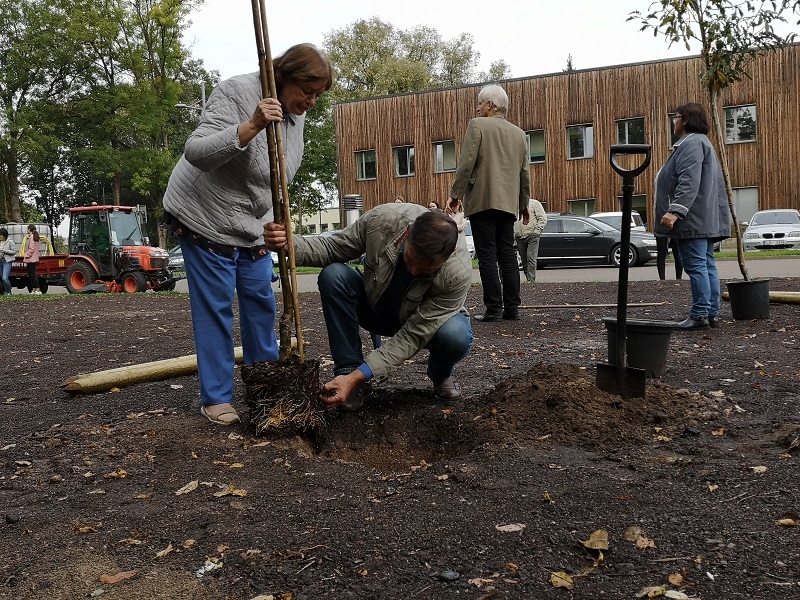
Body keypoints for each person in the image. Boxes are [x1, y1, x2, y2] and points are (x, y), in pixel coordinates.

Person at [162, 43, 333, 425]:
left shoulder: (295, 115)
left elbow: (277, 177)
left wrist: (277, 222)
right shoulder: (237, 92)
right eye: (308, 90)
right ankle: (217, 397)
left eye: (319, 94)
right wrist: (251, 125)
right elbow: (197, 152)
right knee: (217, 307)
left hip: (251, 223)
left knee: (261, 304)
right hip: (204, 214)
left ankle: (266, 392)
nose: (312, 100)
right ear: (286, 76)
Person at [264, 203, 474, 411]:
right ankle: (348, 371)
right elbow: (332, 248)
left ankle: (441, 374)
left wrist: (358, 376)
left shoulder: (457, 272)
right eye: (410, 260)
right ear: (408, 232)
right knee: (334, 275)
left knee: (456, 334)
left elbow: (412, 335)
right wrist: (289, 243)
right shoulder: (382, 222)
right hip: (375, 308)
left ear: (447, 256)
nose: (413, 271)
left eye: (425, 270)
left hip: (419, 324)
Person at [448, 84, 530, 322]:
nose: (478, 107)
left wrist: (455, 196)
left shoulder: (477, 125)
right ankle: (512, 308)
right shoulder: (518, 133)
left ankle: (493, 308)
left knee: (486, 254)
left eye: (480, 103)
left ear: (490, 105)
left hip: (483, 200)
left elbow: (466, 164)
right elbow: (524, 173)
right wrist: (523, 204)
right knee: (507, 253)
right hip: (508, 203)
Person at [654, 102, 730, 330]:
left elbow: (688, 181)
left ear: (684, 120)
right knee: (706, 265)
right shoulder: (702, 143)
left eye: (675, 117)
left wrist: (675, 211)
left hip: (692, 220)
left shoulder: (692, 144)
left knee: (696, 266)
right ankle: (711, 313)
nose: (673, 122)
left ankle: (699, 315)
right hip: (703, 218)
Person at [514, 198, 547, 282]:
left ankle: (531, 279)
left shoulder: (534, 203)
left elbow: (542, 218)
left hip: (532, 236)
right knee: (524, 259)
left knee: (531, 257)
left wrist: (536, 231)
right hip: (519, 236)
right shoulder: (514, 204)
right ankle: (528, 278)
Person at [23, 225, 41, 294]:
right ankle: (34, 289)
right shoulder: (36, 236)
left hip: (31, 258)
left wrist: (27, 255)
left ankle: (37, 289)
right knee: (31, 274)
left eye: (27, 229)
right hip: (34, 258)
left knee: (32, 274)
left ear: (29, 229)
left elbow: (31, 248)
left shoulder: (32, 237)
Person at [0, 228, 16, 294]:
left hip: (7, 261)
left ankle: (9, 292)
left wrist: (5, 251)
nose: (0, 236)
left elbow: (14, 251)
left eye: (1, 235)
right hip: (0, 261)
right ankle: (6, 291)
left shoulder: (10, 241)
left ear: (4, 235)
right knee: (1, 278)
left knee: (5, 278)